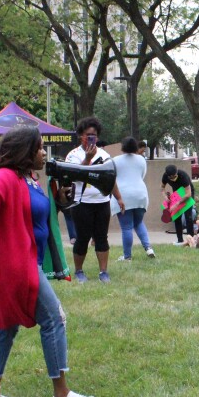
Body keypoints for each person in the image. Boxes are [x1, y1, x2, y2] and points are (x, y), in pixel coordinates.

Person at [0, 126, 96, 397]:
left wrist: (62, 200)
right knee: (55, 319)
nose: (44, 152)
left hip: (24, 262)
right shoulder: (3, 177)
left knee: (5, 327)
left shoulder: (28, 178)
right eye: (39, 147)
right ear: (24, 151)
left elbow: (37, 213)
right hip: (16, 264)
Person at [65, 117, 124, 283]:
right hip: (81, 203)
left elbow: (110, 178)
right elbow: (75, 175)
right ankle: (78, 271)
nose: (91, 138)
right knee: (82, 238)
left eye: (94, 135)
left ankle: (103, 272)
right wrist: (87, 159)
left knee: (101, 237)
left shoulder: (104, 155)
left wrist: (119, 197)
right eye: (88, 135)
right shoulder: (73, 155)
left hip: (102, 202)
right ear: (80, 136)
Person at [112, 137, 155, 261]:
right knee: (138, 222)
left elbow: (112, 178)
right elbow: (142, 175)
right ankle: (148, 248)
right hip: (140, 194)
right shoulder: (141, 160)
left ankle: (127, 256)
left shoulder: (115, 160)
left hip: (123, 195)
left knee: (126, 227)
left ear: (123, 147)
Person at [161, 163, 195, 246]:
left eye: (174, 177)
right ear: (167, 175)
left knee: (188, 217)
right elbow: (162, 188)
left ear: (177, 173)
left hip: (187, 194)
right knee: (177, 217)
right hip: (176, 195)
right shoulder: (165, 176)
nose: (173, 179)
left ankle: (191, 240)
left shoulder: (183, 176)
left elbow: (188, 194)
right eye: (171, 178)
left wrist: (177, 204)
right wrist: (165, 196)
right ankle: (180, 240)